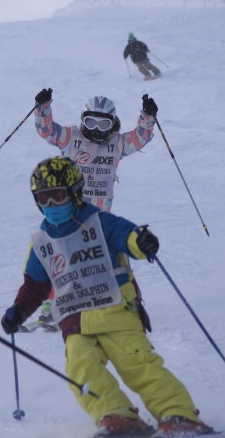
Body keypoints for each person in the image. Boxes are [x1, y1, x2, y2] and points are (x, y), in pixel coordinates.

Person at [0, 156, 214, 438]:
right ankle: (117, 415)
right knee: (80, 369)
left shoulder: (99, 221)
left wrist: (142, 241)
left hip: (115, 311)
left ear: (75, 192)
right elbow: (34, 285)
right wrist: (19, 309)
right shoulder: (41, 241)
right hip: (74, 321)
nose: (51, 205)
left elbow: (128, 237)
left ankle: (179, 414)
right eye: (43, 198)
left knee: (139, 366)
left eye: (58, 196)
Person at [31, 88, 159, 326]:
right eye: (91, 122)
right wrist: (43, 108)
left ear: (112, 123)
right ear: (83, 120)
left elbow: (140, 138)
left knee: (105, 257)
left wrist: (147, 117)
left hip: (101, 216)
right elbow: (46, 130)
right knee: (62, 256)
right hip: (71, 211)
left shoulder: (117, 144)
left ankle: (115, 301)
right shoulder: (72, 137)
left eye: (103, 124)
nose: (96, 129)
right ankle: (50, 304)